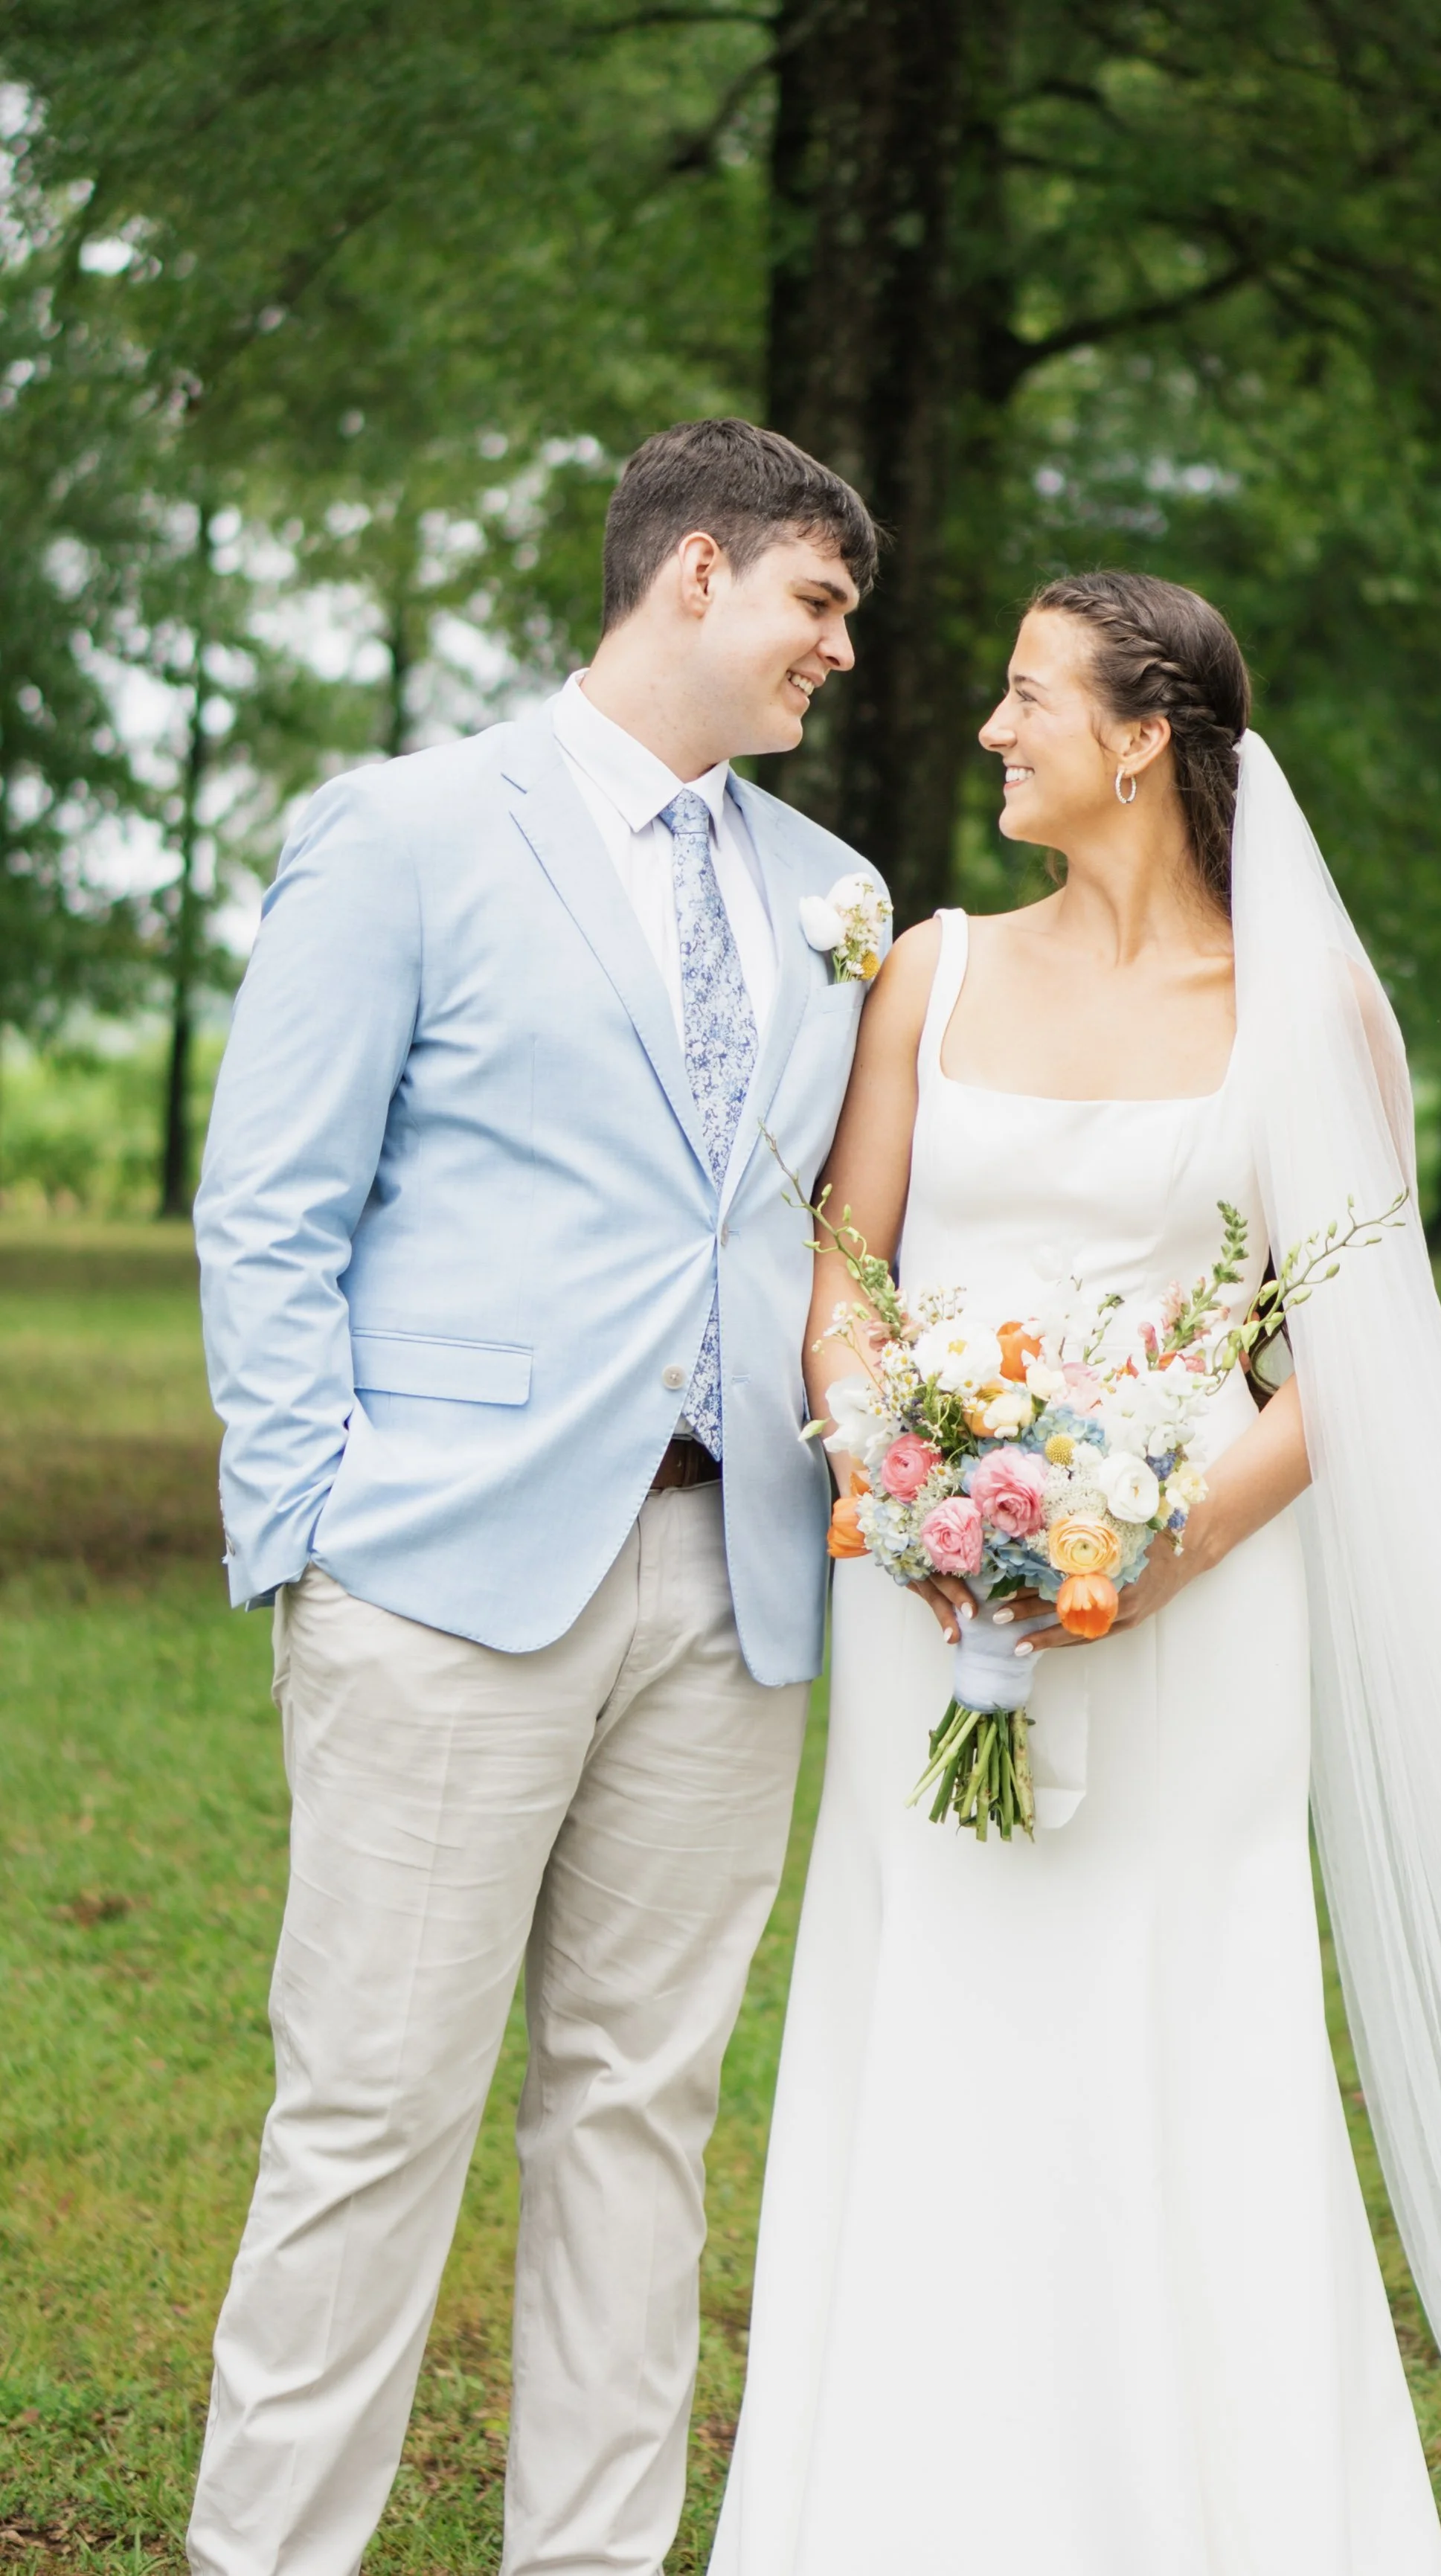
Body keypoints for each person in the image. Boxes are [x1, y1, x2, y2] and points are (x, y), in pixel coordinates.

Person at [712, 573, 1441, 2576]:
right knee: (937, 2018)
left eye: (1024, 698)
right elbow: (849, 1259)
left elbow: (1357, 1359)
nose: (990, 731)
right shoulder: (932, 970)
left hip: (1194, 1607)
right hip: (927, 1604)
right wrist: (898, 1477)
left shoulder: (1309, 1010)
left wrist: (1138, 1552)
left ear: (1143, 733)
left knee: (1188, 2022)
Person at [188, 417, 886, 2576]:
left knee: (638, 2119)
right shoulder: (401, 831)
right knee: (374, 2111)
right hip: (437, 1573)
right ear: (694, 570)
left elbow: (827, 1243)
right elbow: (268, 1207)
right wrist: (314, 1521)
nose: (839, 654)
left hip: (735, 1579)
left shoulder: (830, 900)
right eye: (816, 603)